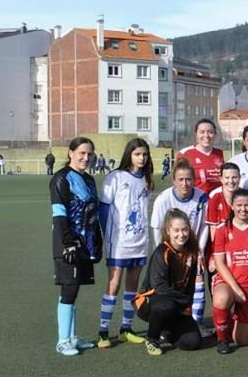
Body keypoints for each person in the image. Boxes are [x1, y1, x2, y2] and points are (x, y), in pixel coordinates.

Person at [96, 137, 154, 348]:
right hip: (118, 242)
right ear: (129, 154)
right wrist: (106, 236)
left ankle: (126, 329)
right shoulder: (115, 177)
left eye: (145, 154)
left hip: (139, 241)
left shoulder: (147, 180)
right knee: (114, 284)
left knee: (132, 287)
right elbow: (103, 209)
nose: (141, 158)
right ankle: (103, 331)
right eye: (138, 154)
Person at [50, 137, 102, 355]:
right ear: (71, 153)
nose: (86, 158)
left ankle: (72, 337)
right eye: (81, 153)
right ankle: (62, 341)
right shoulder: (61, 179)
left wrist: (96, 242)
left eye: (89, 154)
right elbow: (59, 214)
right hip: (67, 244)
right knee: (68, 290)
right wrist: (68, 243)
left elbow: (93, 214)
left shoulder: (89, 180)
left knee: (74, 290)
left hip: (85, 244)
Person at [149, 160, 210, 331]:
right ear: (174, 180)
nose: (185, 183)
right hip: (170, 250)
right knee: (168, 287)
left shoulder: (202, 197)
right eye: (181, 179)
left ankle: (196, 323)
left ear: (194, 180)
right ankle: (165, 326)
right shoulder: (163, 199)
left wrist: (200, 251)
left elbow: (205, 226)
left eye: (189, 179)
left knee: (197, 283)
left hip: (192, 250)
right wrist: (160, 252)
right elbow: (156, 227)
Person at [134, 209, 204, 356]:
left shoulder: (192, 251)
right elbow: (159, 287)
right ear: (168, 230)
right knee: (166, 306)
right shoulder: (162, 252)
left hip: (177, 304)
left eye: (185, 229)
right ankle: (152, 338)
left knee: (192, 342)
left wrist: (187, 308)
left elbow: (190, 285)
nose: (181, 234)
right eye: (176, 230)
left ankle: (167, 331)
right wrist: (184, 300)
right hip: (150, 303)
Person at [211, 189, 248, 354]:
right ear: (231, 206)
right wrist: (236, 289)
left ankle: (230, 319)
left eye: (247, 205)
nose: (243, 209)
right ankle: (222, 339)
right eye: (239, 205)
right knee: (222, 298)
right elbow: (219, 263)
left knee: (242, 341)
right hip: (228, 281)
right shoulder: (223, 230)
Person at [177, 118, 225, 194]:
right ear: (196, 134)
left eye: (210, 132)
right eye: (202, 132)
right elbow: (178, 181)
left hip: (215, 201)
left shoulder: (219, 154)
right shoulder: (184, 154)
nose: (206, 135)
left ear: (215, 134)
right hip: (195, 201)